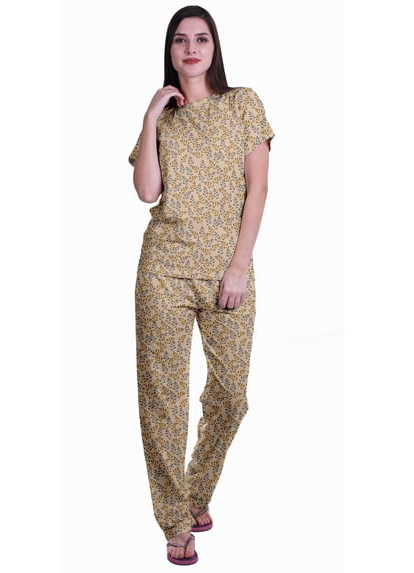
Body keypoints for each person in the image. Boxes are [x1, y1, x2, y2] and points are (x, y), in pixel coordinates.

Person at [128, 5, 274, 566]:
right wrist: (149, 118)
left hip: (225, 271)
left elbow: (258, 189)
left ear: (215, 48)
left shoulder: (243, 104)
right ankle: (174, 519)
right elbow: (147, 192)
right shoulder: (164, 120)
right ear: (170, 50)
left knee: (231, 397)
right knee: (163, 399)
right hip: (163, 269)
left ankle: (196, 489)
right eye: (180, 40)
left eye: (201, 39)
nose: (191, 49)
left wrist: (238, 267)